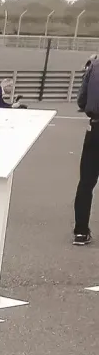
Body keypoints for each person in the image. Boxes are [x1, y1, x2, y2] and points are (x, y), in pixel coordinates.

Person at [74, 54, 98, 246]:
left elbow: (82, 100)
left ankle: (81, 231)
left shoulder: (94, 66)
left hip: (96, 126)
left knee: (86, 182)